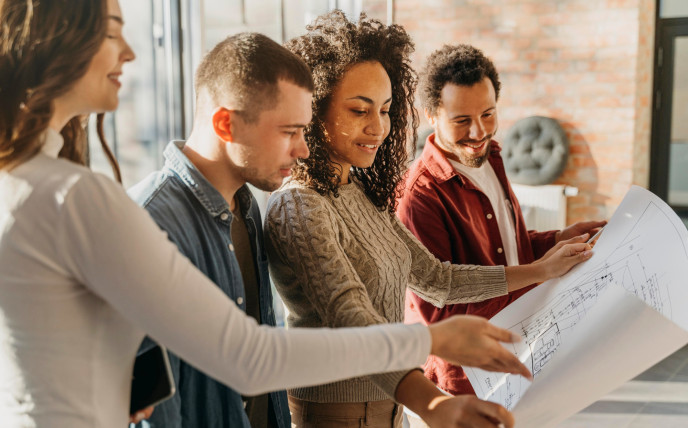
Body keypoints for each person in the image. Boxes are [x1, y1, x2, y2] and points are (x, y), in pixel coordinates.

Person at [0, 2, 537, 427]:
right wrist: (433, 342)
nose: (131, 53)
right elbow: (248, 355)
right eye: (114, 29)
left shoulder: (37, 185)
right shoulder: (82, 198)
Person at [265, 11, 593, 428]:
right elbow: (353, 319)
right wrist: (433, 403)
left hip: (391, 406)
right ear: (314, 109)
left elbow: (438, 279)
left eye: (385, 110)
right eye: (359, 110)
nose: (378, 127)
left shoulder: (361, 193)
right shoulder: (299, 206)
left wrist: (542, 268)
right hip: (337, 413)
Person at [398, 44, 606, 403]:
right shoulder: (419, 196)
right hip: (467, 378)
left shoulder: (491, 157)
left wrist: (556, 238)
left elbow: (507, 246)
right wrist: (542, 272)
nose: (479, 132)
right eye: (461, 120)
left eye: (488, 114)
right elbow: (443, 310)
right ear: (431, 115)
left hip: (522, 350)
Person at [127, 33, 312, 428]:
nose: (303, 150)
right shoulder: (148, 222)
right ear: (226, 123)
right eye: (289, 132)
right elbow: (151, 410)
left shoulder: (247, 207)